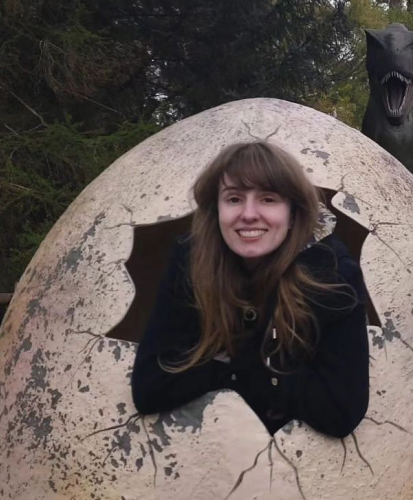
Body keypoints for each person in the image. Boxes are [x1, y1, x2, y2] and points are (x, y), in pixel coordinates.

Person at [131, 141, 369, 437]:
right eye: (234, 199)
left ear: (293, 213)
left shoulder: (332, 275)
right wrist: (265, 373)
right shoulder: (191, 263)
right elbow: (150, 388)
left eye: (268, 199)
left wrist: (229, 365)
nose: (249, 214)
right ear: (216, 209)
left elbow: (341, 412)